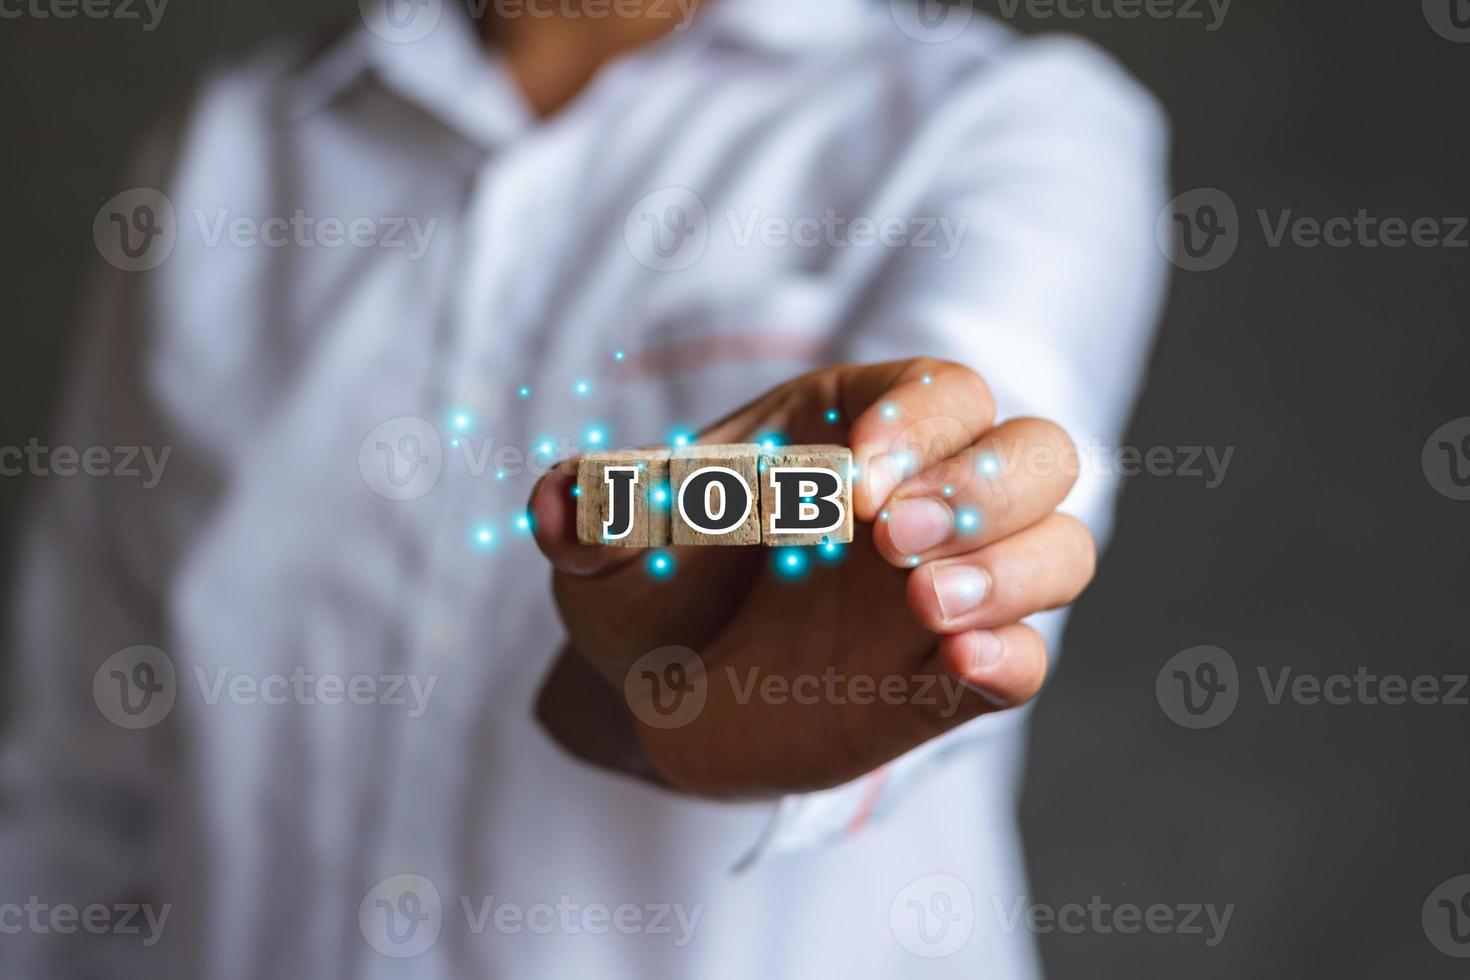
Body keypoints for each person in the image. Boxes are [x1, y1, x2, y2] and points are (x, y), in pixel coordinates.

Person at [1, 0, 1168, 975]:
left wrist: (870, 602)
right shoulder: (223, 155)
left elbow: (997, 439)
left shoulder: (1006, 125)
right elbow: (76, 786)